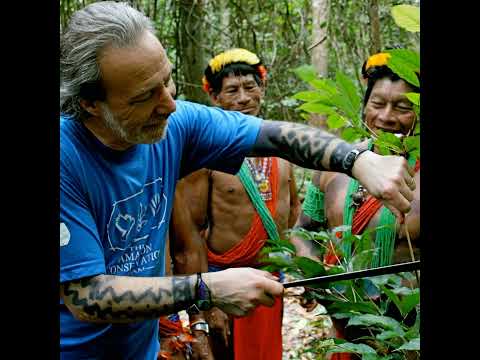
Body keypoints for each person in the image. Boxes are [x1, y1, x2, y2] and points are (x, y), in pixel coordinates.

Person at [59, 3, 416, 359]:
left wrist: (357, 160)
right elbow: (85, 296)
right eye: (144, 96)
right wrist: (204, 290)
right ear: (90, 103)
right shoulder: (66, 159)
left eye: (166, 81)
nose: (169, 104)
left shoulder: (176, 124)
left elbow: (274, 136)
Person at [169, 48, 301, 360]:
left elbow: (293, 209)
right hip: (224, 282)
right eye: (232, 90)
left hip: (269, 279)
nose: (243, 98)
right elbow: (191, 237)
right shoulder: (204, 156)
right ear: (215, 98)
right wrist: (208, 305)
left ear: (263, 89)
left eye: (250, 87)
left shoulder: (282, 147)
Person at [290, 51, 420, 360]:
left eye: (403, 107)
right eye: (377, 104)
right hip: (348, 329)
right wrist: (317, 281)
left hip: (410, 337)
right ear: (362, 108)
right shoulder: (333, 167)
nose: (387, 117)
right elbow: (302, 231)